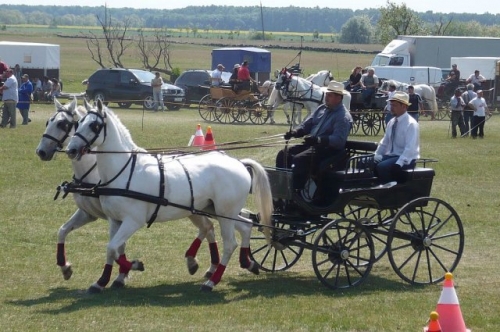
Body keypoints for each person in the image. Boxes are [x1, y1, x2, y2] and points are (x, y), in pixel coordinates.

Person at [277, 81, 352, 204]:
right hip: (313, 145)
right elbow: (307, 125)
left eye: (330, 95)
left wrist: (318, 139)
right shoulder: (321, 109)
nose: (326, 97)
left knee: (299, 160)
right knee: (283, 154)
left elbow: (338, 141)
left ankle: (298, 195)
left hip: (329, 150)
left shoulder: (343, 117)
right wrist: (295, 132)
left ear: (339, 98)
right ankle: (282, 189)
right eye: (327, 94)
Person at [374, 91, 420, 184]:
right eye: (391, 105)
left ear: (404, 106)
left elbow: (410, 149)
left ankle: (389, 190)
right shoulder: (391, 122)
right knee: (365, 162)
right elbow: (385, 141)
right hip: (391, 156)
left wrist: (399, 163)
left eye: (394, 105)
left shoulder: (411, 124)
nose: (391, 108)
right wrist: (377, 154)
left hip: (406, 159)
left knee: (382, 167)